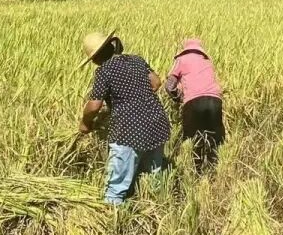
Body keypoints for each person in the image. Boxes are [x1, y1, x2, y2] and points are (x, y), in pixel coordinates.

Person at [78, 31, 171, 205]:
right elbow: (156, 82)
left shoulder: (104, 71)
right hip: (157, 122)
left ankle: (113, 218)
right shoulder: (136, 60)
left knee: (115, 188)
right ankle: (157, 209)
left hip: (129, 129)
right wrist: (138, 98)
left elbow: (94, 106)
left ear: (96, 58)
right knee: (154, 177)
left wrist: (85, 123)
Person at [164, 38, 226, 173]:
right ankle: (212, 171)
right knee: (213, 138)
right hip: (215, 101)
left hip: (194, 102)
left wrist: (178, 98)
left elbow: (169, 86)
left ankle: (195, 171)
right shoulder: (207, 61)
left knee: (192, 138)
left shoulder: (182, 60)